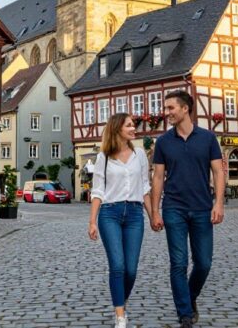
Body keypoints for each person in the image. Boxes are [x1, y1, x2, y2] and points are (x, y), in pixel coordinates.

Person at [151, 90, 225, 328]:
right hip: (174, 208)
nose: (167, 113)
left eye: (171, 108)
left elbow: (218, 172)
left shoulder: (208, 138)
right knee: (179, 263)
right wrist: (155, 211)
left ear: (185, 109)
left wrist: (219, 203)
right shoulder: (163, 142)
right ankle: (184, 314)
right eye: (166, 108)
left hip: (202, 208)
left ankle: (189, 296)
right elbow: (158, 177)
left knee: (204, 263)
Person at [87, 113, 153, 328]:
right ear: (117, 129)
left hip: (134, 214)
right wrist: (92, 221)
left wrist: (153, 216)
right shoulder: (103, 157)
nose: (134, 128)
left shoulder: (140, 155)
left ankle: (120, 301)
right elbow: (97, 191)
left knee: (131, 269)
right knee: (117, 265)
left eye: (133, 125)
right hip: (110, 214)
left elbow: (145, 188)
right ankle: (120, 316)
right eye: (129, 125)